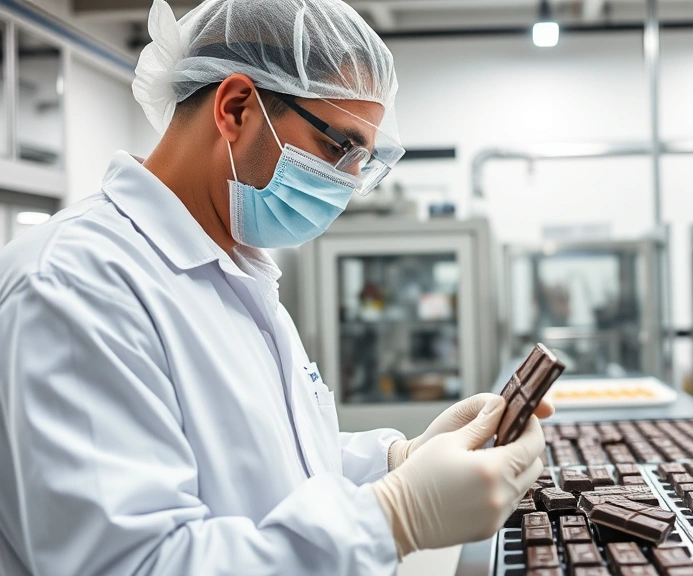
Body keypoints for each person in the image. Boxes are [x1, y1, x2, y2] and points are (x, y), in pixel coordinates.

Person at [0, 1, 550, 574]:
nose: (351, 180)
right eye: (340, 146)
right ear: (236, 108)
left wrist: (398, 460)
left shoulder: (238, 271)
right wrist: (395, 516)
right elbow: (134, 563)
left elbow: (279, 463)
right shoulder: (73, 285)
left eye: (364, 158)